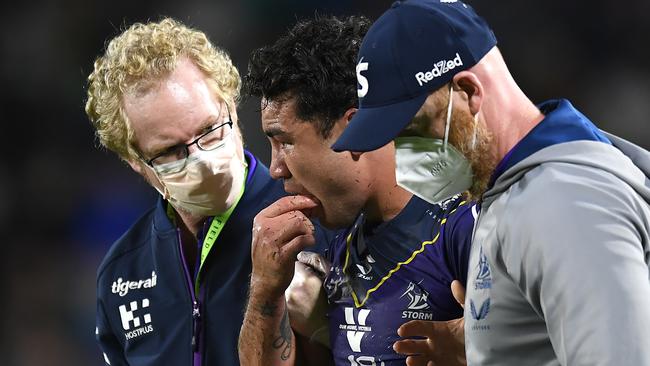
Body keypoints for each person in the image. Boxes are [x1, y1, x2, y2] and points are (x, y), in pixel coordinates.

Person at [331, 1, 650, 365]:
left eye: (413, 129)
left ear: (468, 92)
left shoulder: (562, 203)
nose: (403, 157)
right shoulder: (516, 189)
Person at [85, 18, 331, 366]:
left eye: (210, 129)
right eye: (171, 151)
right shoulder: (121, 272)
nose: (202, 159)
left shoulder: (317, 221)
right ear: (135, 160)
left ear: (231, 105)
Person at [238, 15, 475, 366]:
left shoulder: (464, 224)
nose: (275, 169)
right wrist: (265, 289)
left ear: (353, 131)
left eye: (284, 142)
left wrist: (487, 349)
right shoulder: (338, 237)